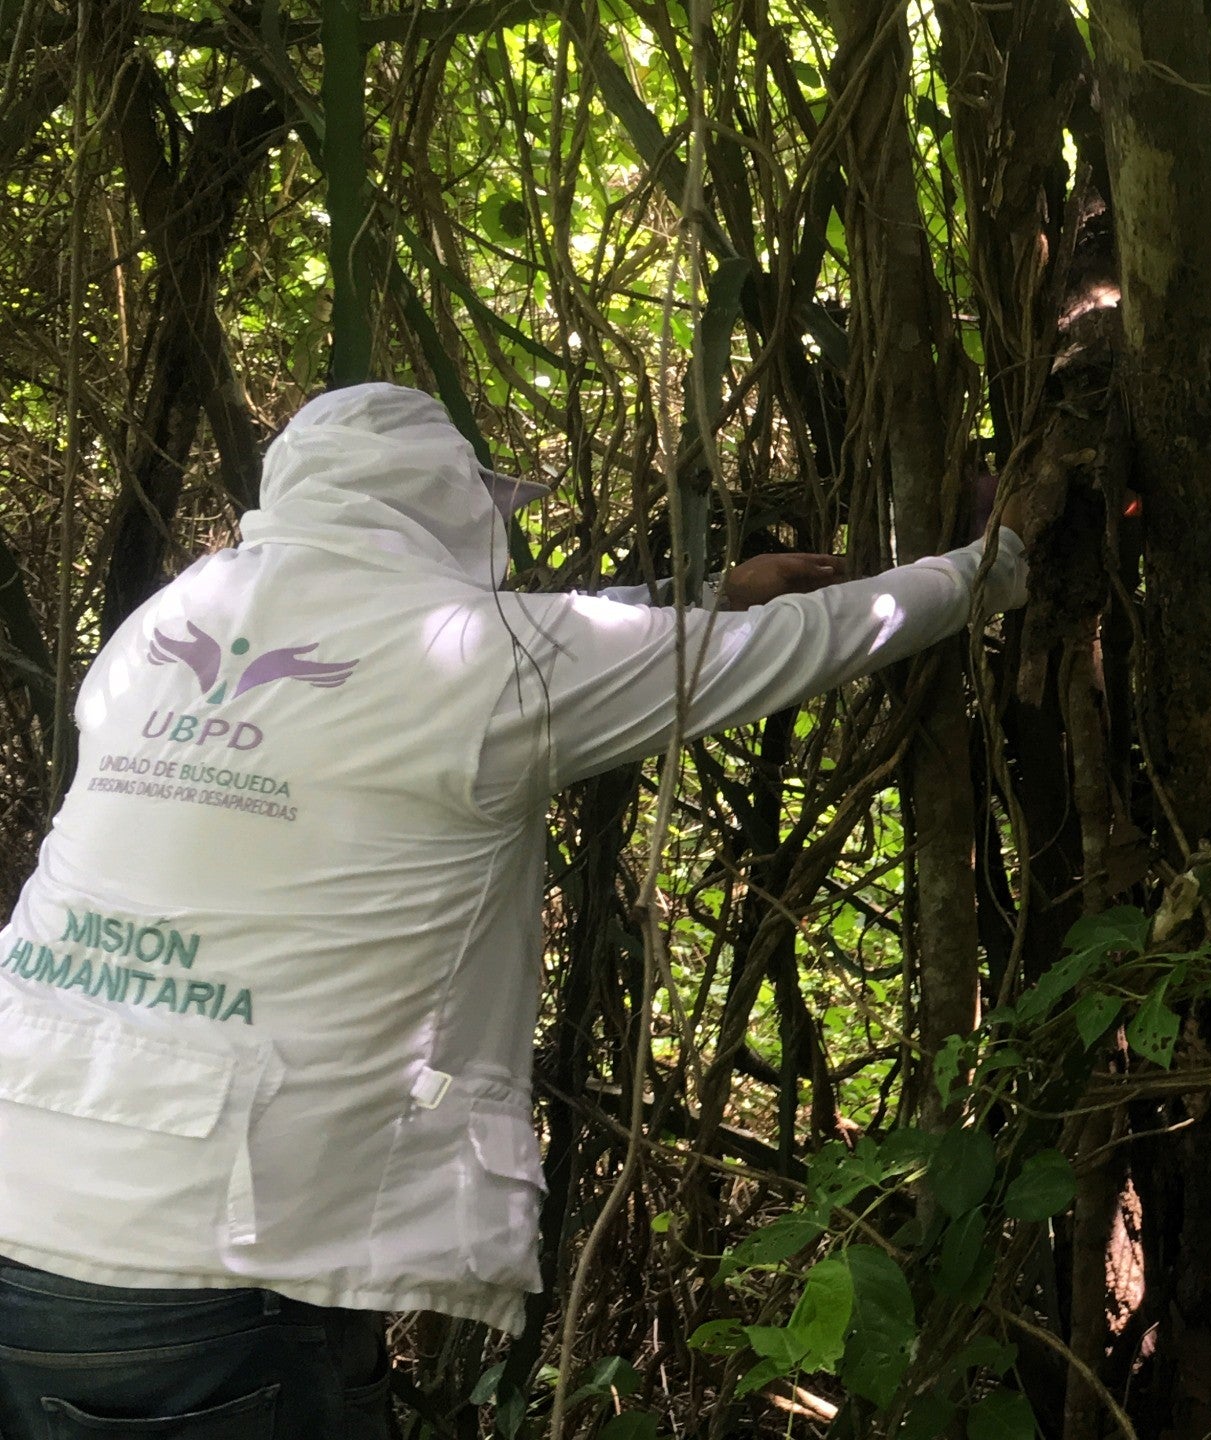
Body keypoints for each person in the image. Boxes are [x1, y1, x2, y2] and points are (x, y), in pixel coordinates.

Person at [0, 383, 1026, 1436]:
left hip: (29, 1189)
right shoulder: (482, 668)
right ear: (445, 497)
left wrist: (705, 590)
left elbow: (520, 652)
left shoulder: (172, 619)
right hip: (204, 1265)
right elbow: (790, 646)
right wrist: (992, 560)